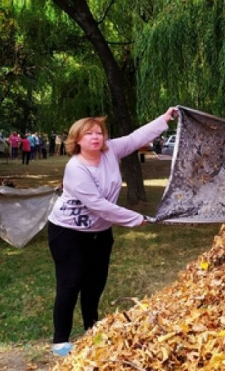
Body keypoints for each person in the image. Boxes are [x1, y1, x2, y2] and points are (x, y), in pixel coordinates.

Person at [46, 107, 178, 357]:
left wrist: (164, 118)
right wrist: (137, 219)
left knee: (94, 284)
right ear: (77, 140)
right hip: (68, 233)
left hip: (100, 233)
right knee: (70, 283)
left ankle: (91, 330)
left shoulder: (110, 151)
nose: (96, 137)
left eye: (99, 133)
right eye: (89, 134)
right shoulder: (76, 168)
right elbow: (98, 205)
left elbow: (135, 138)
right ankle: (60, 340)